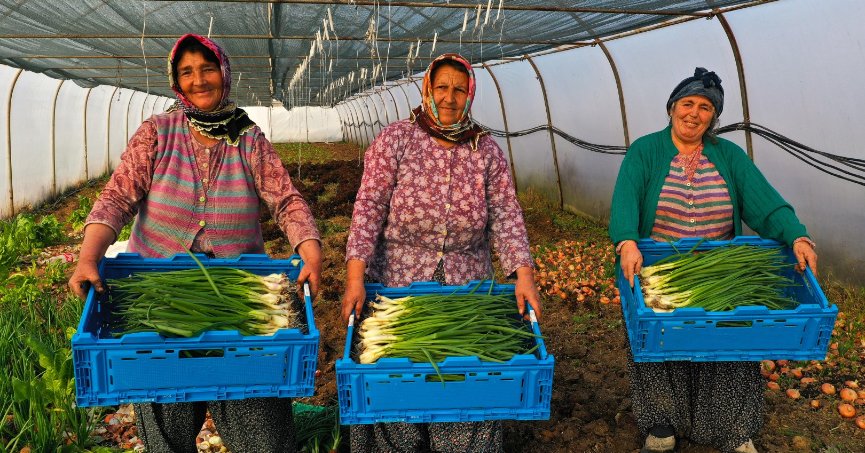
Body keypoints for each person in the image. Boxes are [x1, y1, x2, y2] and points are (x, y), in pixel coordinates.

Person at [67, 33, 322, 453]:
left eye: (206, 69)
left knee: (260, 428)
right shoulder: (157, 133)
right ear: (175, 81)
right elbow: (117, 196)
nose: (199, 80)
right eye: (187, 72)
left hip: (241, 294)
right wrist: (87, 258)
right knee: (167, 430)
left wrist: (308, 249)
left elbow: (286, 199)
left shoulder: (248, 137)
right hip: (159, 295)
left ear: (223, 72)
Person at [340, 53, 542, 453]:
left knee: (464, 385)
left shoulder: (485, 150)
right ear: (427, 89)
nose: (450, 98)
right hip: (398, 287)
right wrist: (354, 277)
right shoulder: (396, 139)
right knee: (399, 385)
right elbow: (368, 209)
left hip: (467, 290)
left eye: (460, 89)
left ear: (470, 95)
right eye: (442, 87)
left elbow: (506, 215)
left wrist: (524, 275)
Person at [609, 67, 817, 453]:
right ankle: (662, 426)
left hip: (723, 271)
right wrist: (626, 241)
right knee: (659, 347)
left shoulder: (729, 156)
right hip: (659, 269)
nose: (694, 113)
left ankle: (733, 429)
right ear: (672, 107)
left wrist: (797, 234)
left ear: (714, 116)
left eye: (705, 107)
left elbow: (765, 203)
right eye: (687, 103)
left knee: (729, 345)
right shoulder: (646, 150)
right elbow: (625, 199)